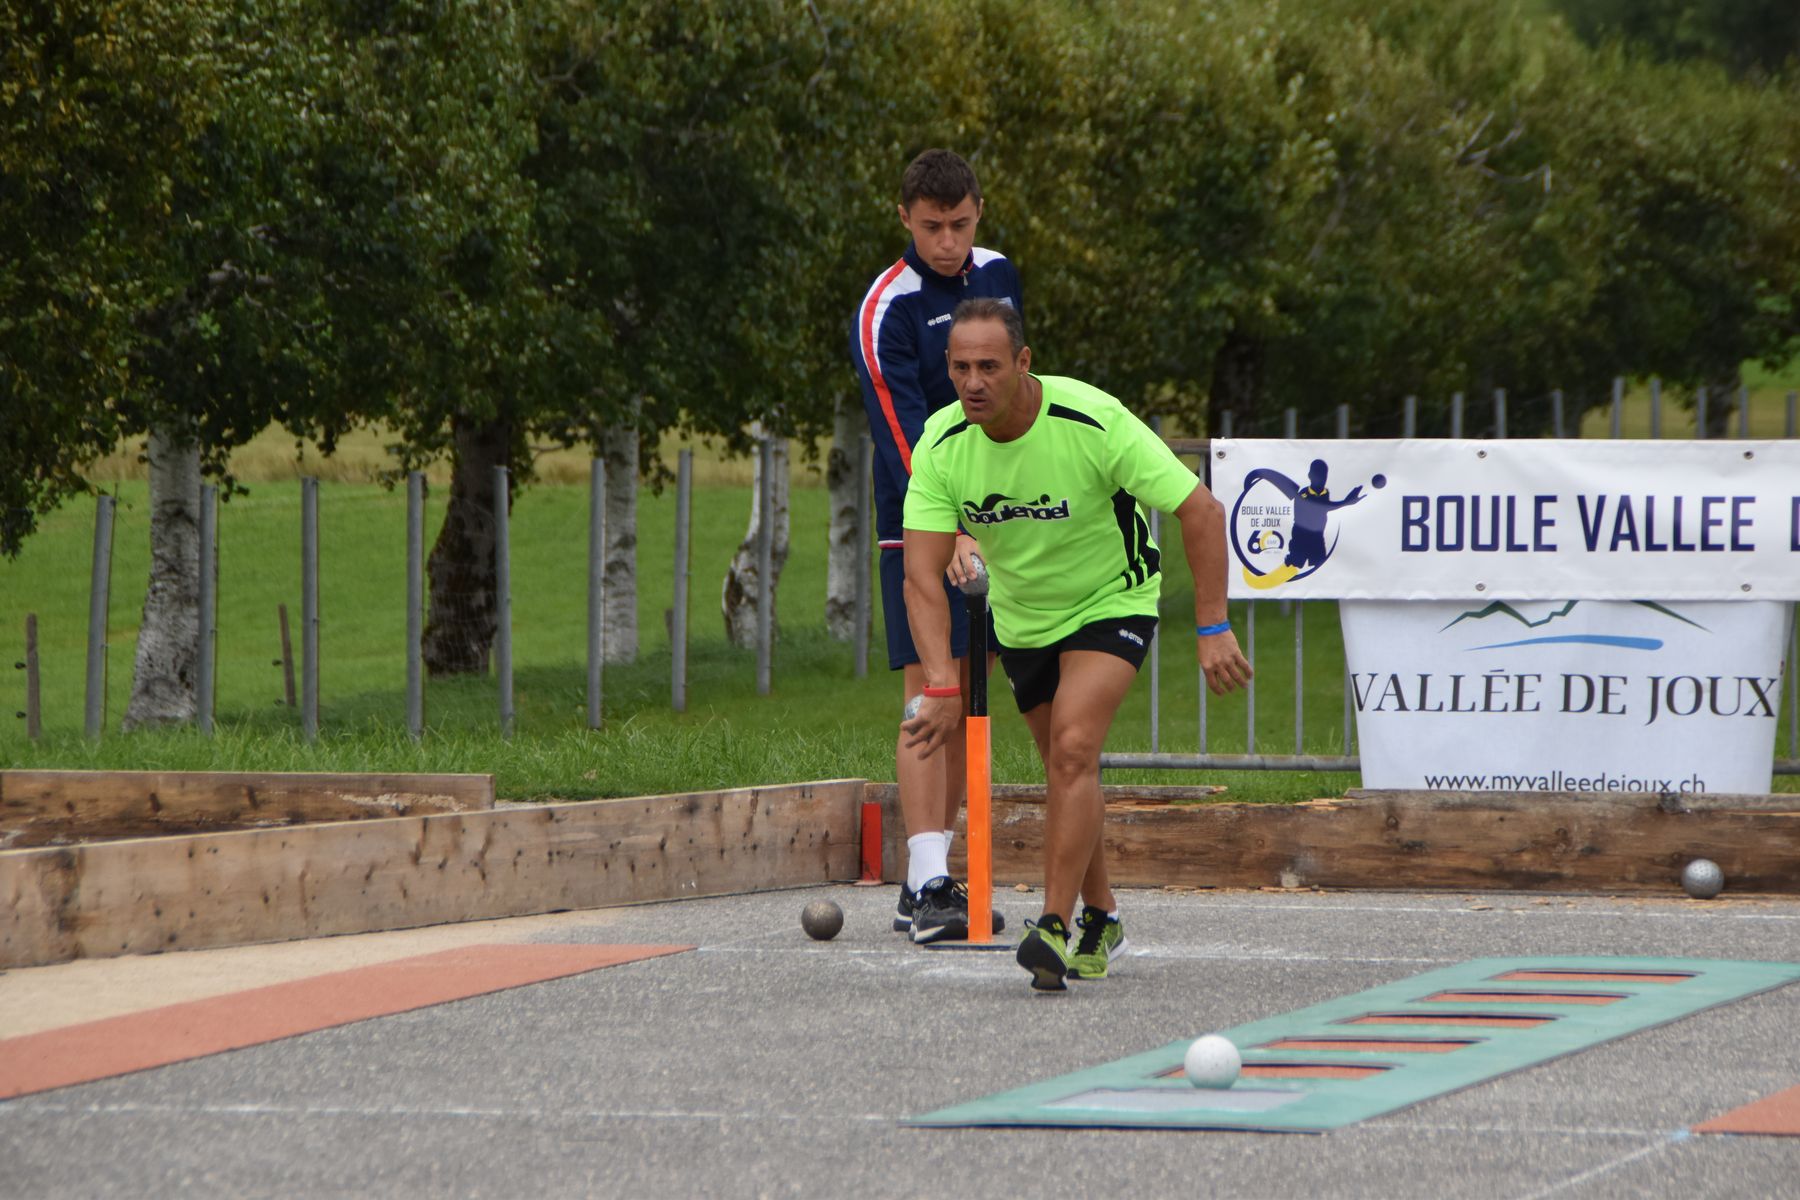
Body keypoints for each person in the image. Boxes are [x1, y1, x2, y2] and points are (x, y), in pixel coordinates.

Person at [901, 298, 1253, 990]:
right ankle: (1104, 915)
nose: (973, 382)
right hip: (1022, 618)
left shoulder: (1092, 420)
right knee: (1069, 769)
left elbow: (1202, 510)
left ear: (1023, 362)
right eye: (960, 368)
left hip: (1111, 600)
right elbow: (921, 574)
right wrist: (941, 683)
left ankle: (1053, 927)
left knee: (1071, 748)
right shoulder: (942, 443)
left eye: (989, 367)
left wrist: (1213, 626)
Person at [849, 149, 1022, 943]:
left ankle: (932, 878)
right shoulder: (887, 307)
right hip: (919, 518)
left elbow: (1012, 388)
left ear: (978, 211)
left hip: (995, 516)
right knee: (933, 690)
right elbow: (901, 434)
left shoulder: (1001, 274)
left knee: (972, 693)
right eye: (931, 227)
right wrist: (951, 527)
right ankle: (925, 881)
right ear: (904, 219)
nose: (947, 242)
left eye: (959, 224)